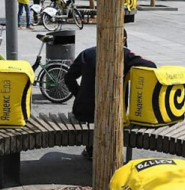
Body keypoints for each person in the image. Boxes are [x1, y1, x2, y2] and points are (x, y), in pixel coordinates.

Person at [64, 30, 156, 158]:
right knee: (113, 117)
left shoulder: (86, 53)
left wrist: (79, 94)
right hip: (113, 113)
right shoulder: (124, 55)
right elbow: (151, 65)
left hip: (84, 111)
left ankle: (91, 148)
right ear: (123, 40)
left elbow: (68, 77)